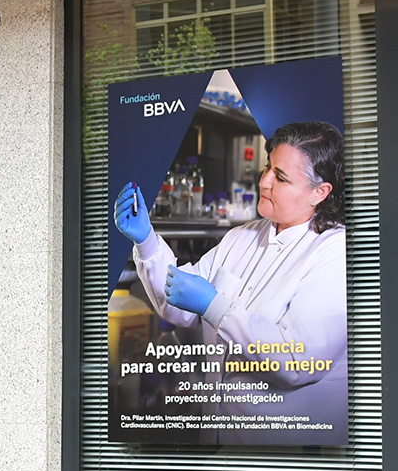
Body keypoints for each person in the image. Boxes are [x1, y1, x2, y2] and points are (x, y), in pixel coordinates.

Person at [115, 121, 349, 418]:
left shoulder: (334, 250)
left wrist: (215, 307)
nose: (264, 182)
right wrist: (146, 241)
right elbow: (177, 304)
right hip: (217, 428)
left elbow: (297, 361)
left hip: (282, 442)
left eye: (281, 177)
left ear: (320, 192)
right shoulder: (243, 236)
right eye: (268, 168)